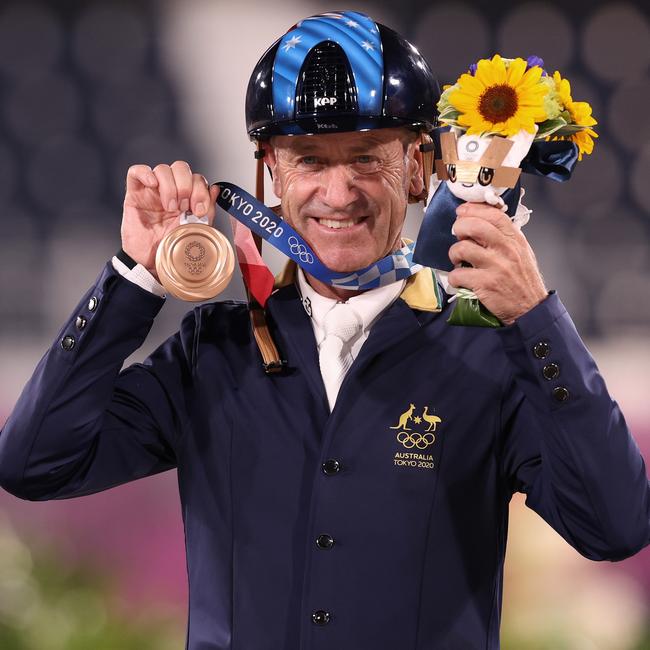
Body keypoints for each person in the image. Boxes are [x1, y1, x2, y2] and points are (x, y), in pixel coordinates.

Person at [0, 10, 648, 650]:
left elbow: (616, 525)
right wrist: (134, 276)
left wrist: (537, 322)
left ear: (419, 169)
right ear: (270, 174)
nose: (339, 194)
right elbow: (34, 463)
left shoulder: (487, 353)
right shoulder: (211, 351)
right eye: (309, 160)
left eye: (367, 158)